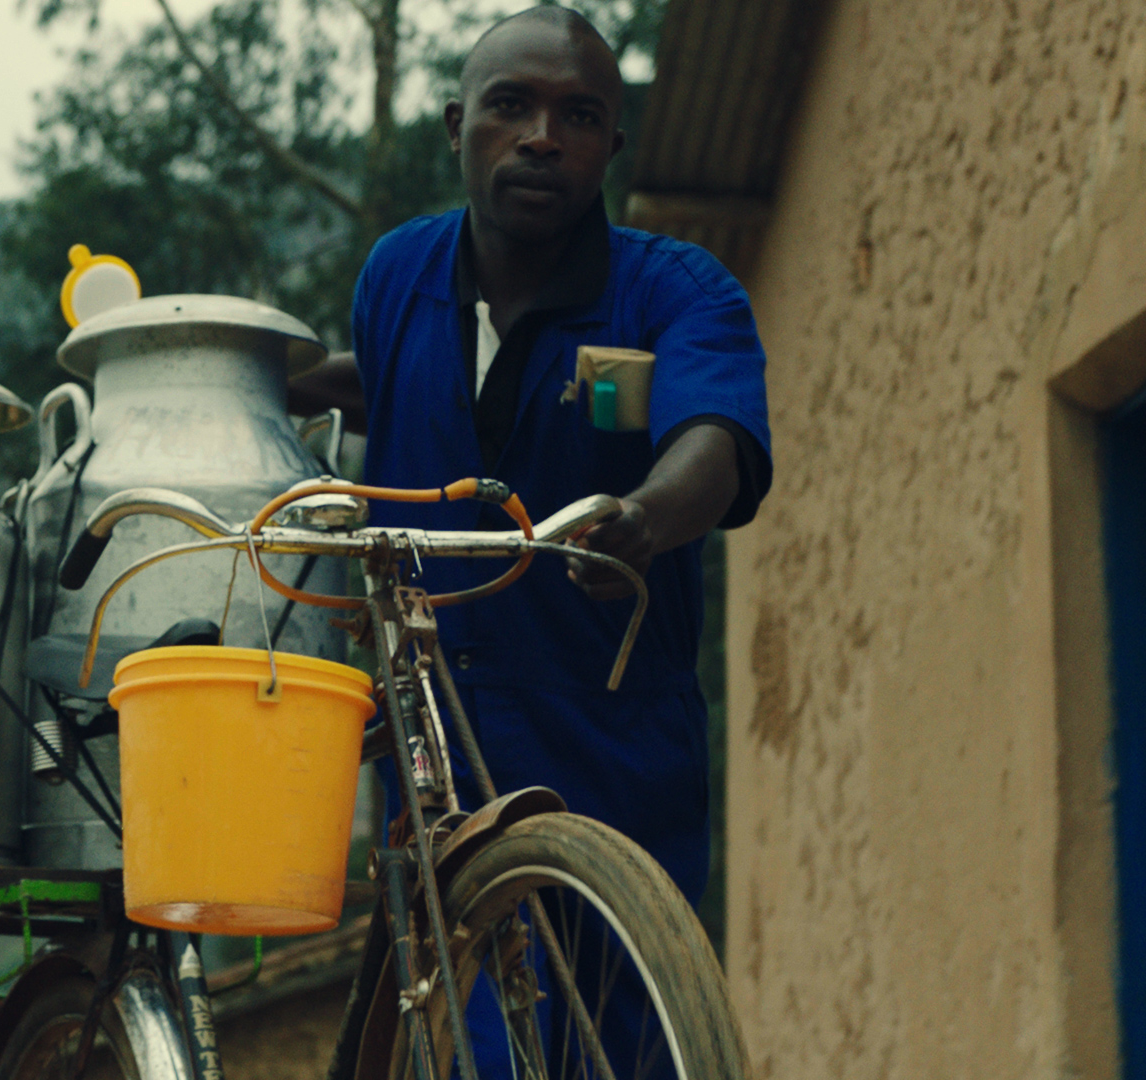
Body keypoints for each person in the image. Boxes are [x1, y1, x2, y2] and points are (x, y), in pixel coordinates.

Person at [296, 6, 773, 1073]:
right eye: (511, 106)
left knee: (622, 1044)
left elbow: (718, 439)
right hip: (435, 744)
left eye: (579, 113)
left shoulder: (675, 292)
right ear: (458, 124)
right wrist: (252, 374)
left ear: (613, 144)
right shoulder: (397, 276)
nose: (542, 135)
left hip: (609, 743)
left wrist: (644, 518)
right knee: (462, 1042)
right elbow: (408, 383)